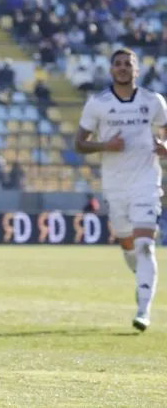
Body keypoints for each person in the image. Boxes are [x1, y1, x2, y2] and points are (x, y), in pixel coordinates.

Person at [74, 47, 167, 332]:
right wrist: (106, 145)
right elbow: (79, 143)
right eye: (118, 64)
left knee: (145, 244)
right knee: (128, 244)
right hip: (115, 185)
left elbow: (165, 131)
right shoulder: (97, 103)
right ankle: (142, 278)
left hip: (146, 182)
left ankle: (143, 310)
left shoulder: (153, 101)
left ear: (136, 70)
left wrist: (165, 146)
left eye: (128, 63)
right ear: (112, 69)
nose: (123, 67)